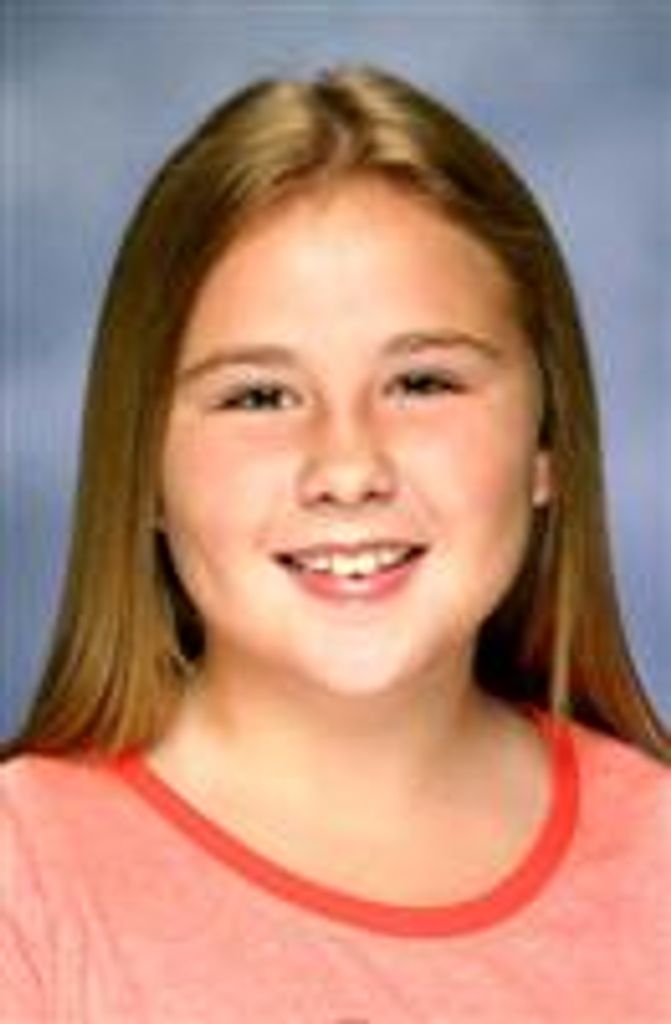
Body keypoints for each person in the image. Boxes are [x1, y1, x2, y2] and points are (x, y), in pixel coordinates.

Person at [1, 65, 669, 1023]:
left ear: (546, 445)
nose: (348, 468)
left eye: (422, 383)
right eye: (259, 397)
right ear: (142, 469)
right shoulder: (24, 882)